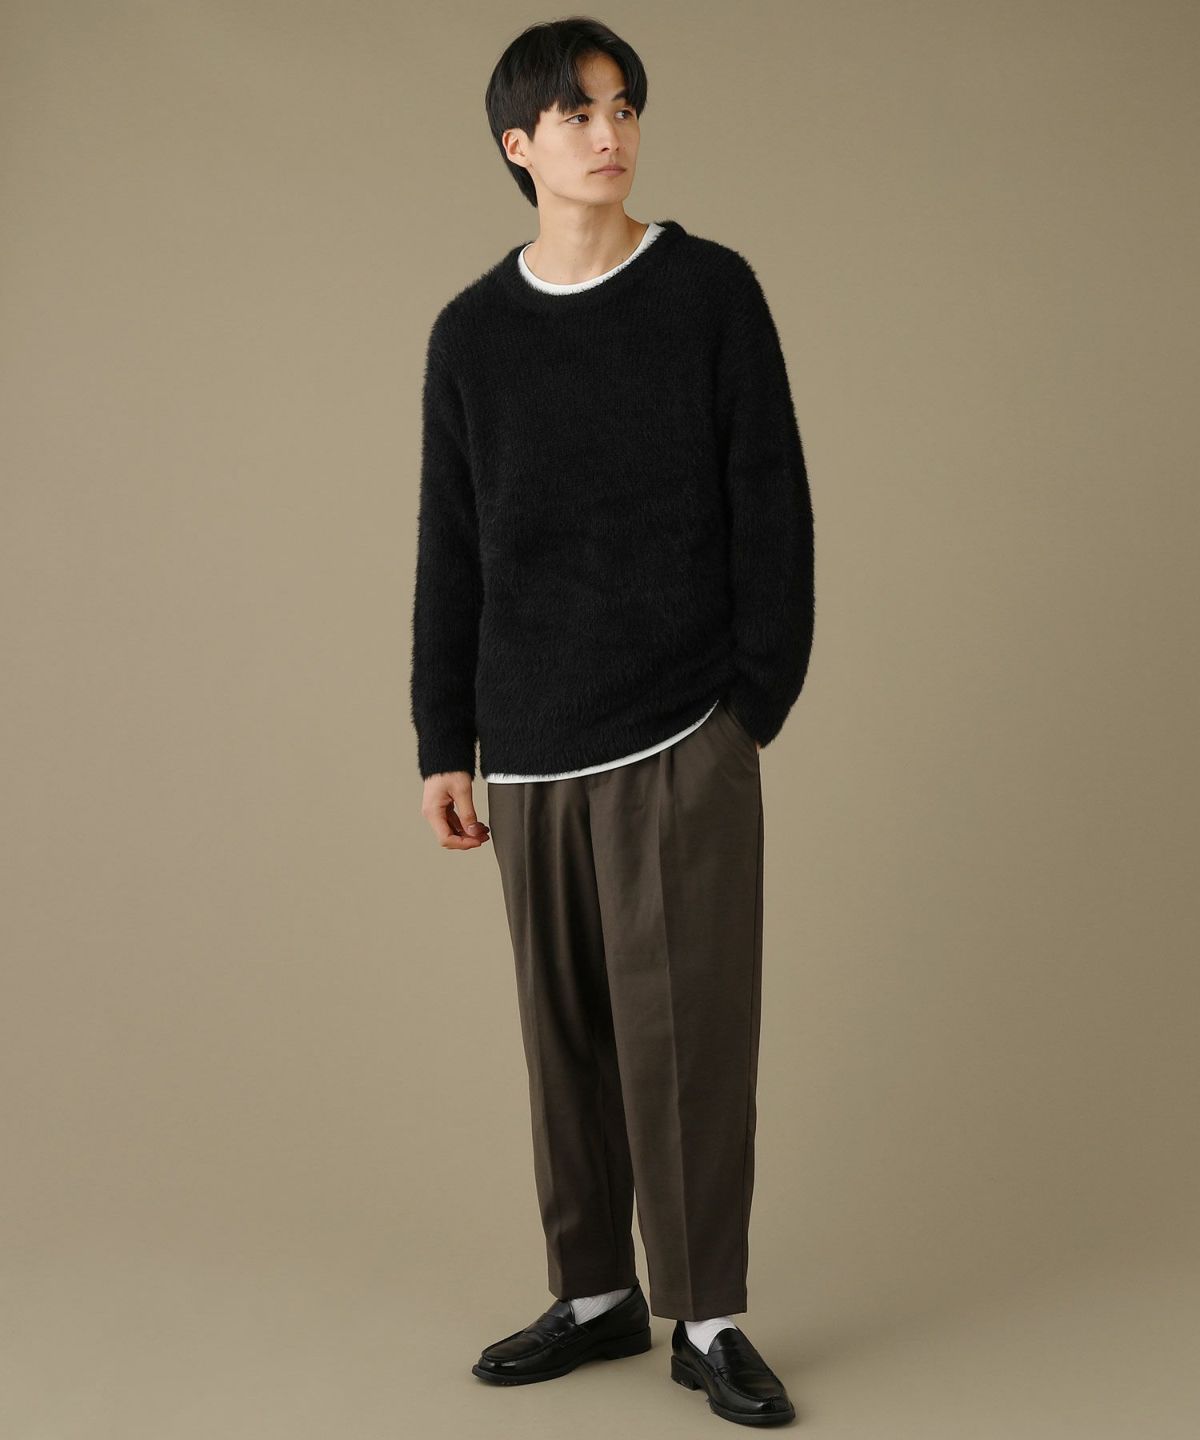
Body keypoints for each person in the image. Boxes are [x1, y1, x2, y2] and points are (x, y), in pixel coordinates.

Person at [410, 16, 814, 1427]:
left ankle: (706, 1317)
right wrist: (443, 742)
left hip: (681, 731)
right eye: (579, 114)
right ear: (518, 146)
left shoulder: (708, 293)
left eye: (625, 106)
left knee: (687, 1038)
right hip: (527, 746)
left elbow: (773, 506)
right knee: (566, 1034)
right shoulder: (471, 336)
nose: (611, 131)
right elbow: (453, 550)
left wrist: (746, 708)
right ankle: (592, 1295)